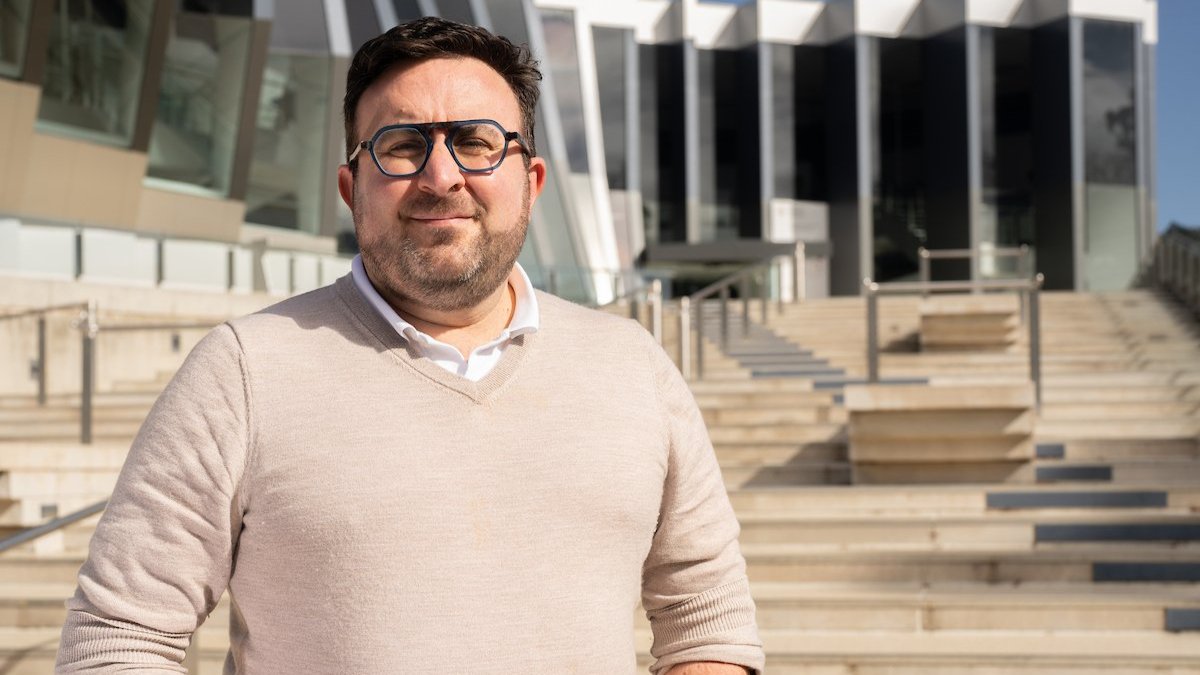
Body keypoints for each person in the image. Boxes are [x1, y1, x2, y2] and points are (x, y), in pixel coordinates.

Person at [56, 17, 763, 675]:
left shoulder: (632, 367)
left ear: (531, 180)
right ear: (350, 187)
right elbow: (121, 635)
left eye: (476, 141)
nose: (440, 175)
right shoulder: (244, 369)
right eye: (402, 145)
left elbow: (707, 619)